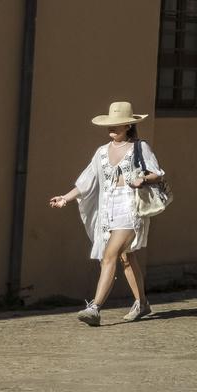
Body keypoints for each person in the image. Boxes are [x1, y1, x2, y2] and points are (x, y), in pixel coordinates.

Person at [48, 101, 167, 326]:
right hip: (108, 211)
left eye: (117, 125)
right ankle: (142, 303)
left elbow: (157, 174)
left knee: (110, 255)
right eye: (109, 125)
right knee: (126, 258)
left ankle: (94, 307)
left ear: (128, 126)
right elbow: (87, 180)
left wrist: (142, 179)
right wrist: (65, 198)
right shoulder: (101, 152)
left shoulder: (140, 148)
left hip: (130, 209)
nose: (112, 129)